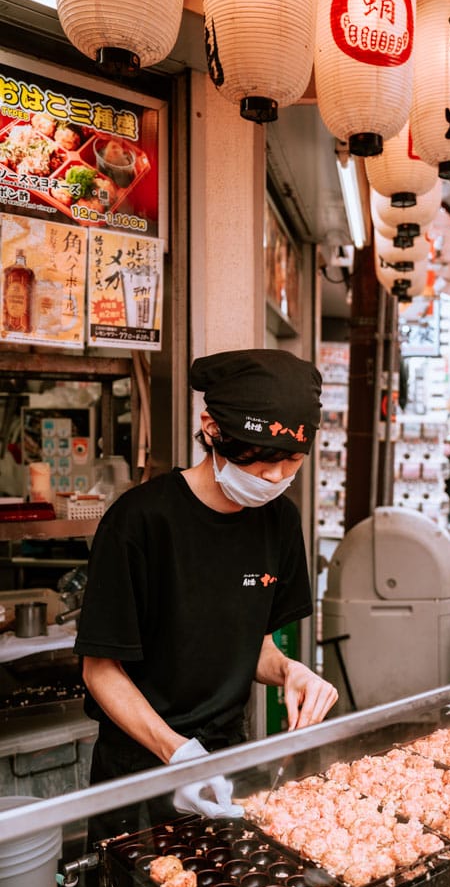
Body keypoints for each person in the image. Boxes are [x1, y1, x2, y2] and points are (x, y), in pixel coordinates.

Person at [75, 349, 338, 847]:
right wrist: (177, 754)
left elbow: (252, 644)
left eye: (293, 462)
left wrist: (290, 671)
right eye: (263, 461)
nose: (278, 478)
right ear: (212, 428)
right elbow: (100, 669)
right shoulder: (140, 522)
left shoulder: (279, 522)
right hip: (139, 764)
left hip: (223, 763)